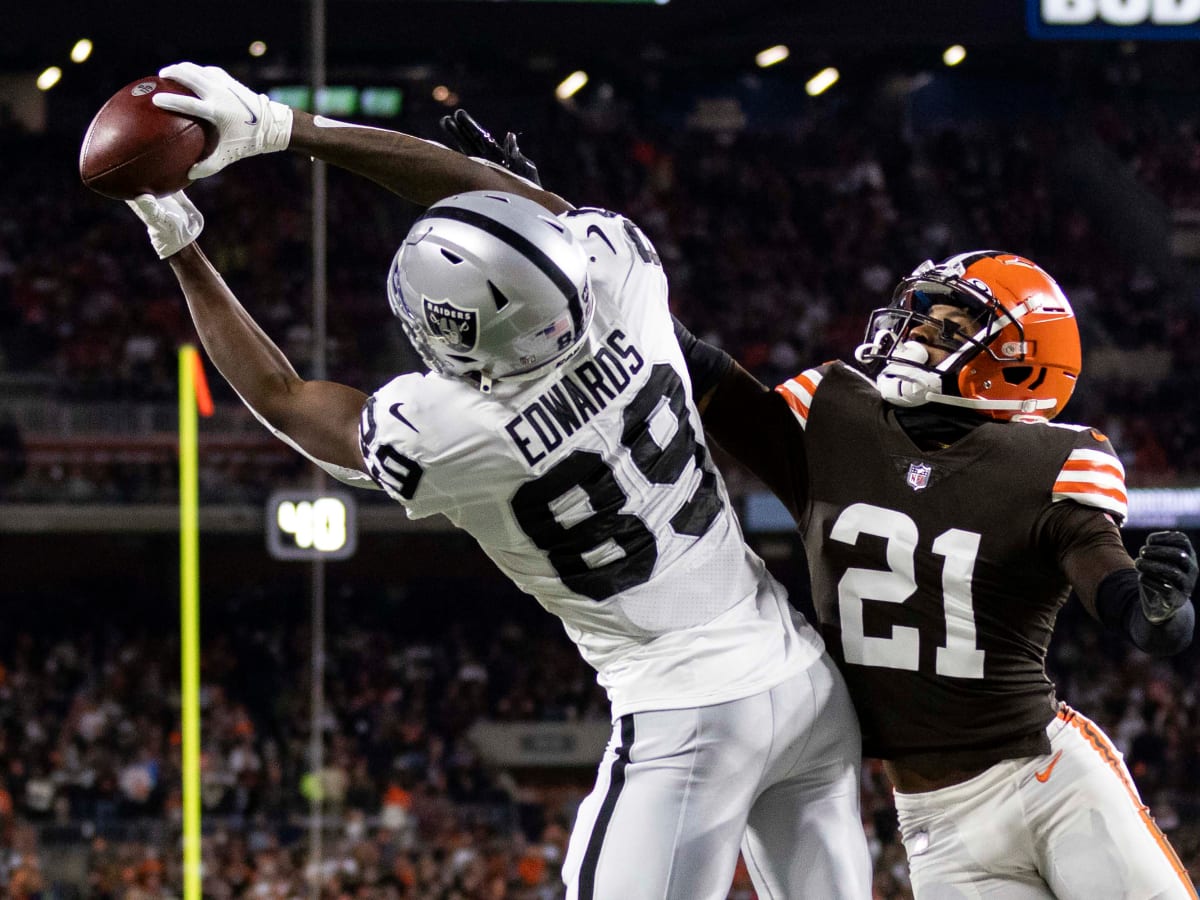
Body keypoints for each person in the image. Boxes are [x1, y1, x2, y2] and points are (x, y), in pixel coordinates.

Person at [121, 63, 872, 899]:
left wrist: (182, 246)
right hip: (804, 682)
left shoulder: (455, 431)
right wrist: (285, 126)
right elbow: (493, 191)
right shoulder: (625, 278)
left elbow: (283, 397)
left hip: (686, 715)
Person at [673, 250, 1198, 898]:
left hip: (1052, 783)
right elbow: (702, 373)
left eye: (950, 326)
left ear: (1020, 359)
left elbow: (1116, 589)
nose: (916, 332)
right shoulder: (833, 418)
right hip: (935, 825)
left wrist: (1157, 612)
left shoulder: (1049, 462)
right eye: (922, 318)